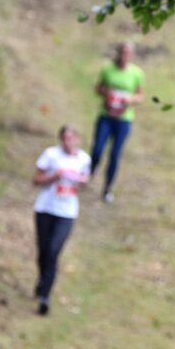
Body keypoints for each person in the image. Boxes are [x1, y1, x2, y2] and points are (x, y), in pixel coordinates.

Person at [32, 125, 91, 315]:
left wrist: (81, 181)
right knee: (43, 252)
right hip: (45, 208)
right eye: (65, 138)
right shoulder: (51, 155)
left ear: (78, 140)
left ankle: (45, 297)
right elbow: (36, 179)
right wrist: (53, 176)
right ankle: (42, 280)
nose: (68, 142)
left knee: (53, 251)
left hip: (66, 212)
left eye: (71, 138)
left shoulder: (84, 159)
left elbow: (85, 180)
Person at [90, 42, 145, 203]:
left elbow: (140, 95)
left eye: (128, 54)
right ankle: (90, 172)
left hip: (124, 119)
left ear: (132, 56)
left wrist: (129, 99)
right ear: (118, 53)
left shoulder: (137, 73)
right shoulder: (108, 69)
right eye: (122, 53)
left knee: (115, 154)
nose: (124, 56)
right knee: (97, 149)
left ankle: (107, 188)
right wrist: (107, 93)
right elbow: (98, 88)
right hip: (106, 115)